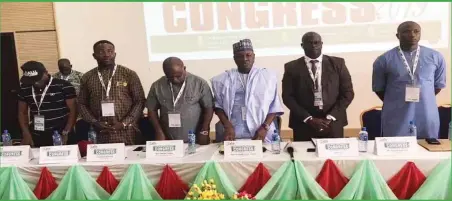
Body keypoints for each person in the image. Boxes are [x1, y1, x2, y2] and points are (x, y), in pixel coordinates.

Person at [372, 21, 446, 139]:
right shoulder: (383, 60)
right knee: (396, 150)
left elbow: (438, 86)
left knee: (427, 151)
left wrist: (423, 97)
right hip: (396, 115)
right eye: (406, 31)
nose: (412, 35)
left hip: (426, 113)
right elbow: (379, 89)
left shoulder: (436, 57)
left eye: (416, 31)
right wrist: (397, 99)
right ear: (398, 36)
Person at [282, 32, 354, 141]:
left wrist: (330, 117)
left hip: (333, 124)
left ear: (322, 44)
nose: (313, 45)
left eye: (316, 42)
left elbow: (348, 93)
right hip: (304, 124)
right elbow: (288, 97)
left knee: (333, 157)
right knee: (304, 157)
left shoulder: (338, 64)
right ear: (302, 46)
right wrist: (309, 119)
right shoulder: (291, 67)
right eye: (310, 43)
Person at [211, 39, 284, 143]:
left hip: (261, 132)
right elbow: (218, 107)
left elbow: (274, 106)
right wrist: (227, 126)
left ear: (254, 56)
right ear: (234, 59)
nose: (245, 59)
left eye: (248, 55)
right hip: (233, 133)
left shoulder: (268, 77)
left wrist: (265, 128)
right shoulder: (222, 79)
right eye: (240, 56)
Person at [78, 40, 145, 145]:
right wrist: (94, 122)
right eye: (101, 52)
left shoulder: (129, 74)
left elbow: (139, 101)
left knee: (130, 159)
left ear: (115, 54)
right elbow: (81, 103)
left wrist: (124, 123)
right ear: (94, 56)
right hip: (99, 131)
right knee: (102, 160)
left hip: (127, 131)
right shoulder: (87, 77)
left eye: (110, 51)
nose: (106, 55)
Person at [146, 57, 214, 144]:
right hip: (167, 138)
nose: (175, 80)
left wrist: (204, 130)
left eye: (178, 76)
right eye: (170, 77)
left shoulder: (199, 84)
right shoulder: (157, 86)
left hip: (194, 138)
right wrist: (159, 131)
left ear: (184, 68)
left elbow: (209, 108)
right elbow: (151, 110)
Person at [18, 61, 77, 147]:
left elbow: (73, 110)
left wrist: (66, 132)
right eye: (31, 80)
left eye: (37, 79)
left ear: (46, 72)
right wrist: (26, 133)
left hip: (61, 133)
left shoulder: (64, 85)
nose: (35, 82)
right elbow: (22, 113)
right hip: (37, 134)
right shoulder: (24, 88)